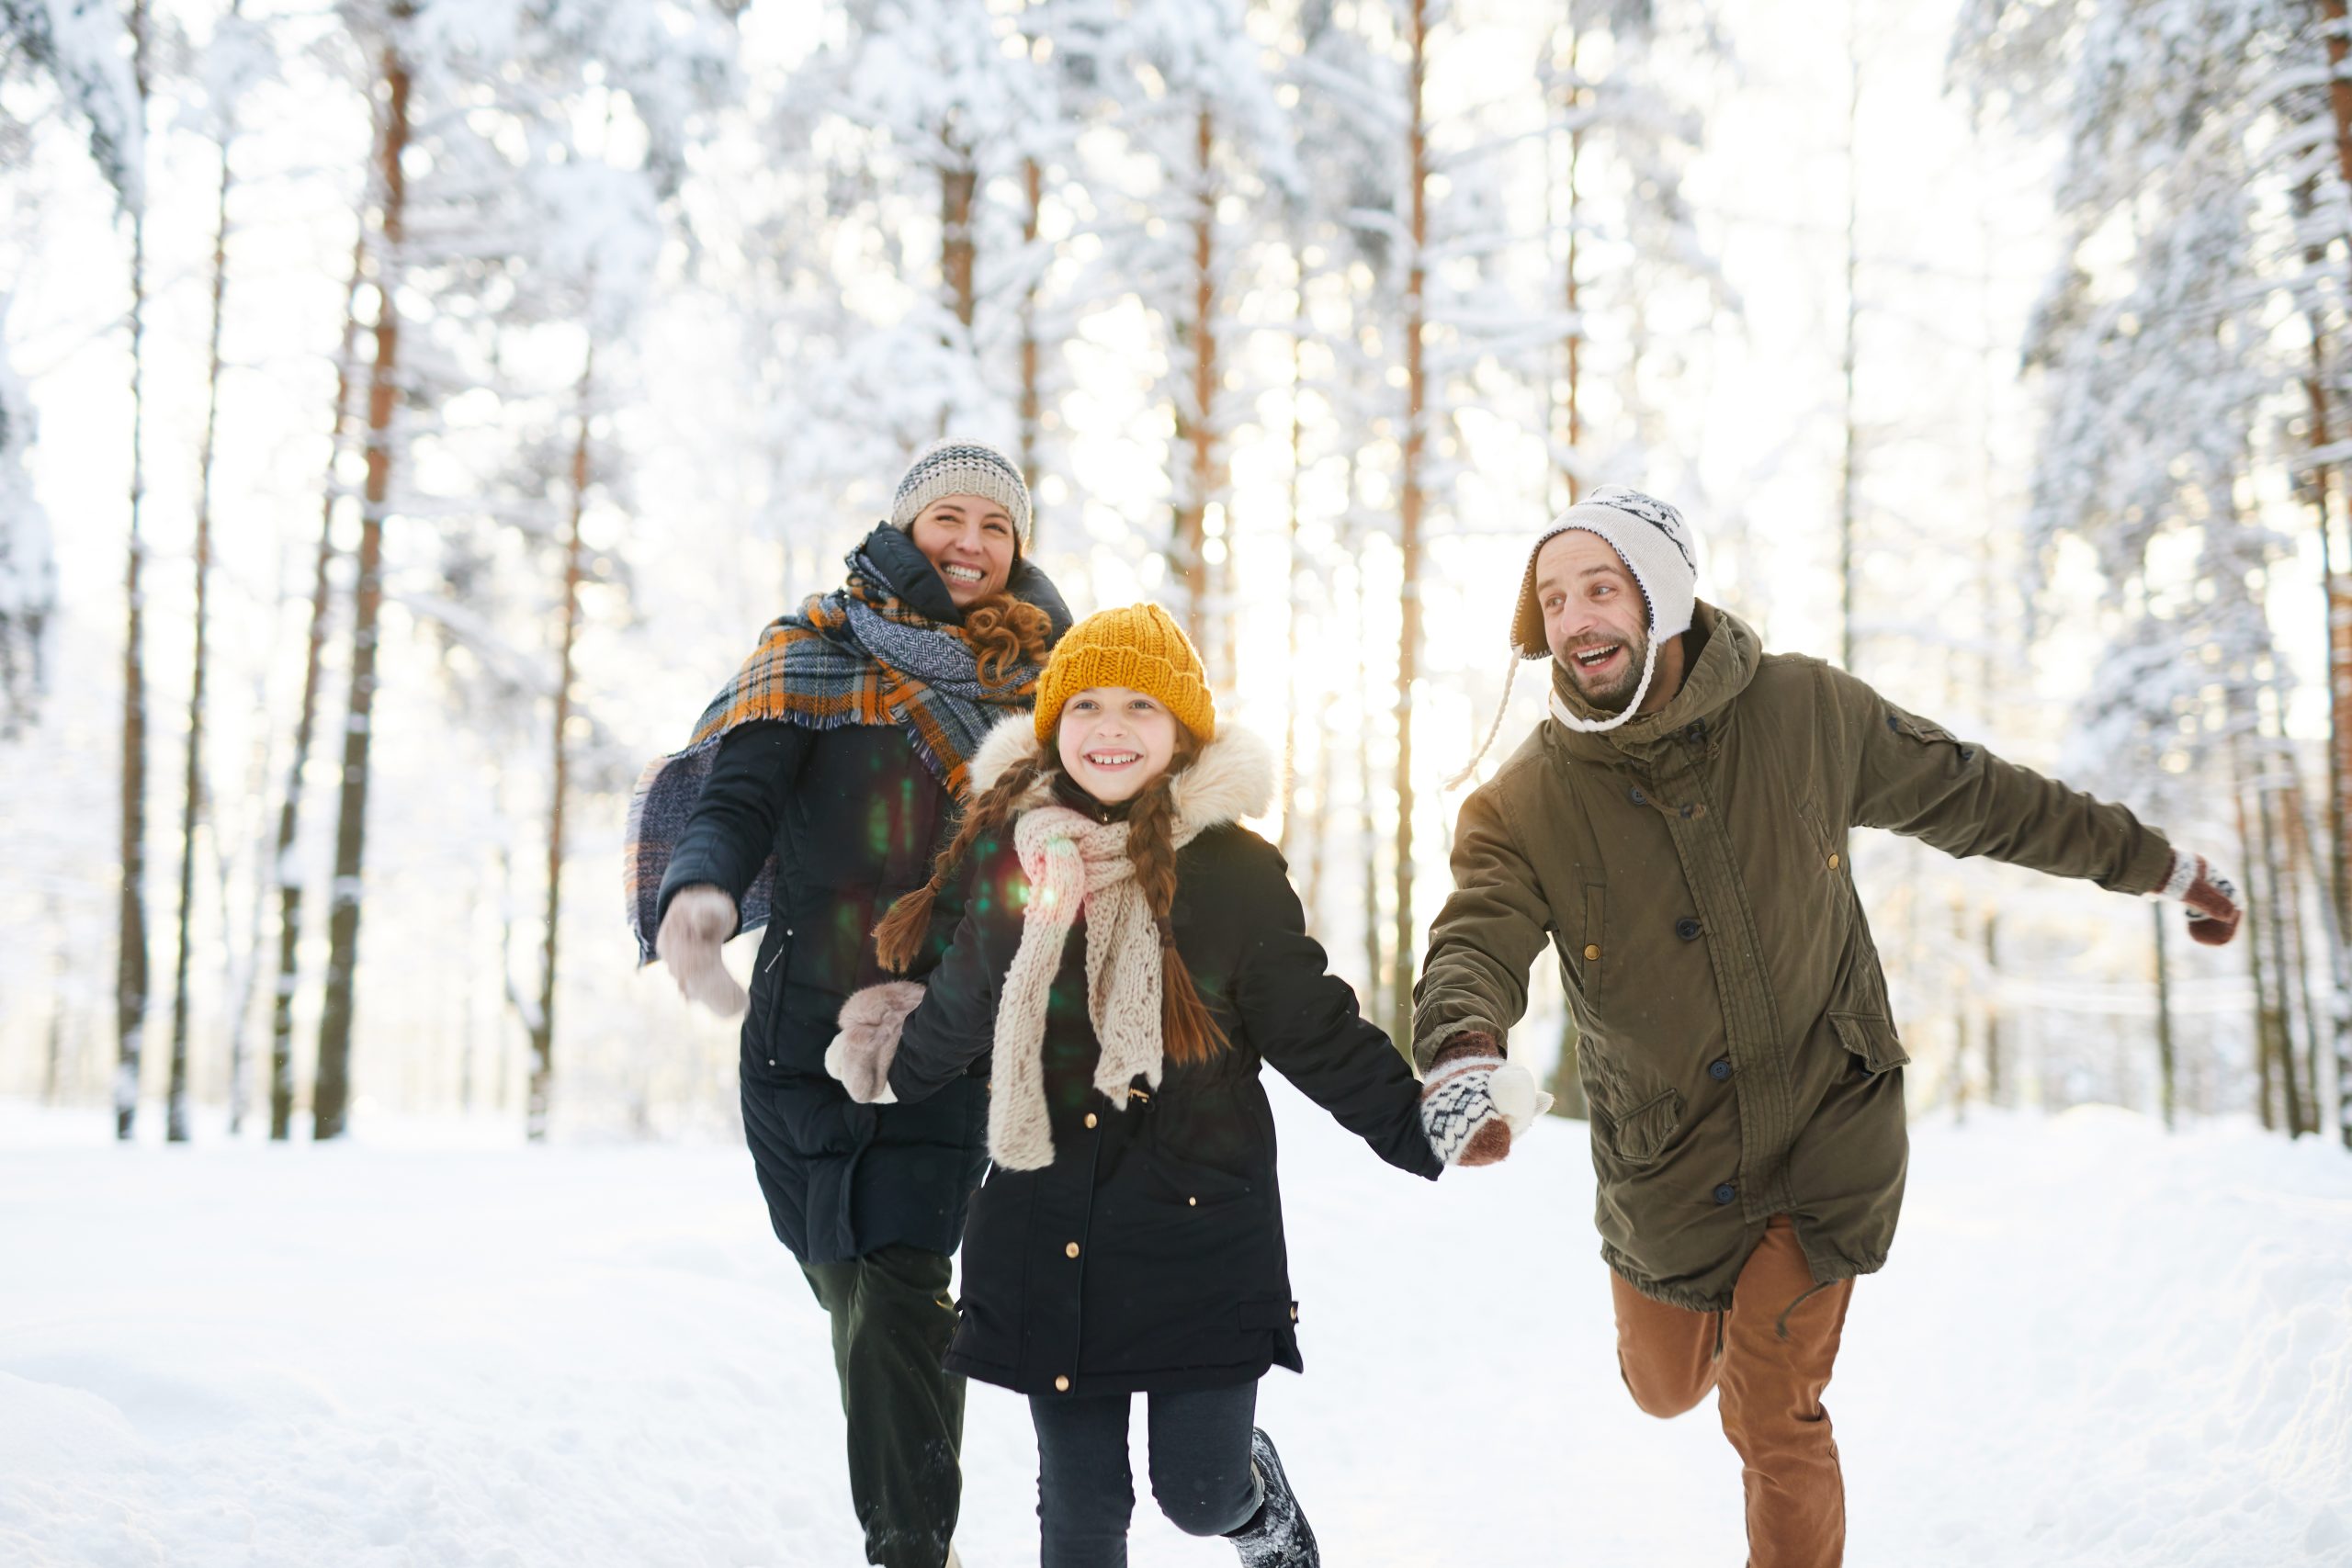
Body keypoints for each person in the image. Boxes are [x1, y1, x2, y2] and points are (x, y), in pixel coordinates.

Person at [1413, 485, 2244, 1568]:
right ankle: (1704, 1328)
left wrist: (2164, 869)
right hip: (1667, 1154)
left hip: (1826, 1122)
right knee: (1666, 1390)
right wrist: (1462, 1049)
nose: (1575, 620)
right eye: (1554, 598)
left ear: (1660, 598)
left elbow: (1985, 797)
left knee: (1773, 1413)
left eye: (1601, 589)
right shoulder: (1522, 802)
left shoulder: (1805, 711)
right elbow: (1476, 935)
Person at [822, 604, 1544, 1568]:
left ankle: (1259, 1510)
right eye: (1084, 705)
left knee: (1197, 1493)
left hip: (1197, 1227)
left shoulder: (1233, 874)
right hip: (1051, 1226)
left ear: (1181, 734)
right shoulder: (1021, 861)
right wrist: (878, 1074)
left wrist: (1423, 1124)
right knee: (1079, 1514)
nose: (1109, 728)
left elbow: (1310, 1025)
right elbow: (963, 1002)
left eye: (1139, 707)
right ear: (1051, 727)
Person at [626, 439, 1073, 1568]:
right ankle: (909, 1526)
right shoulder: (810, 654)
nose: (971, 545)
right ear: (905, 528)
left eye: (996, 527)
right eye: (949, 520)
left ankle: (911, 1550)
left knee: (905, 1288)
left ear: (1018, 548)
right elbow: (736, 800)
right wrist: (702, 893)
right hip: (795, 1034)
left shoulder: (1047, 684)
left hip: (946, 1032)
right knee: (850, 1291)